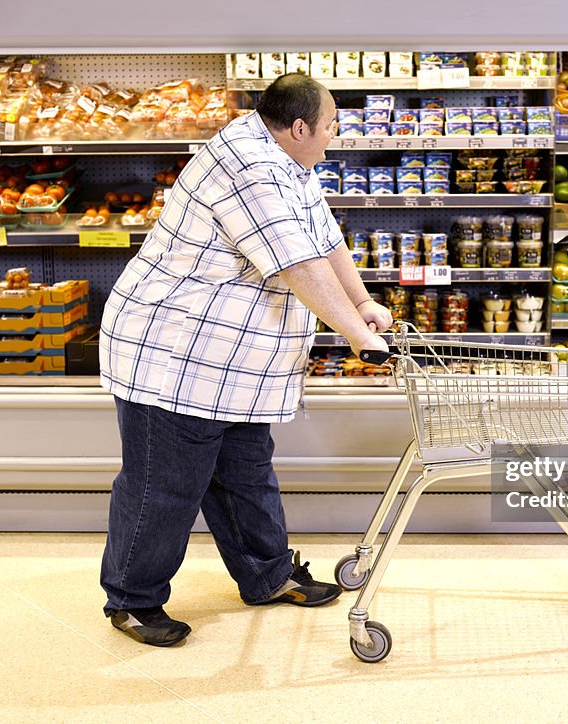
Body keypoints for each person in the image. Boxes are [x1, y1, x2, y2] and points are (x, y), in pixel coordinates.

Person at [98, 73, 393, 647]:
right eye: (331, 126)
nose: (335, 137)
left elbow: (324, 240)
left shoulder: (289, 160)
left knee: (245, 472)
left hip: (231, 360)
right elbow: (296, 265)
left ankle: (267, 575)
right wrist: (357, 334)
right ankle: (132, 600)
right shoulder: (249, 167)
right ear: (301, 126)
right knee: (164, 485)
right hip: (177, 352)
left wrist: (361, 302)